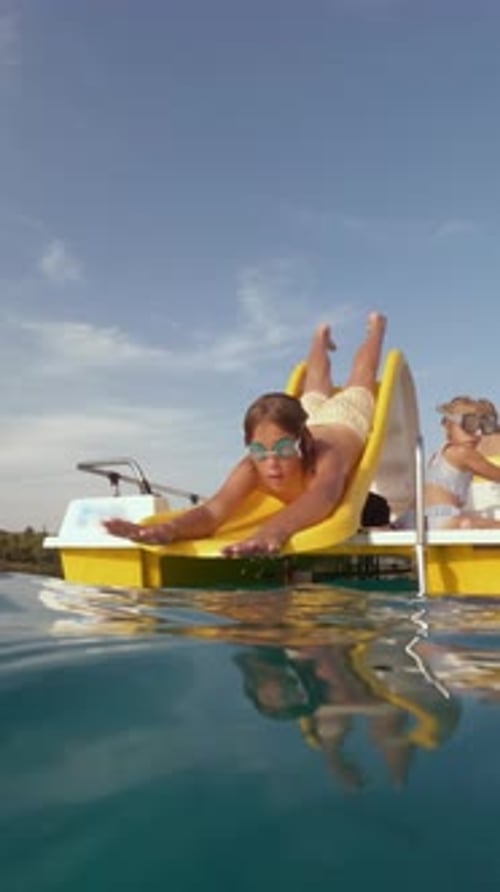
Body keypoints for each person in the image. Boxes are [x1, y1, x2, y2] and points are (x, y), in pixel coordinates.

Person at [103, 312, 387, 556]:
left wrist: (274, 530)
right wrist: (171, 529)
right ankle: (320, 339)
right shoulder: (253, 464)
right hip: (309, 419)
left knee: (361, 375)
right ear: (250, 447)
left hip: (344, 421)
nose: (271, 464)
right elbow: (214, 512)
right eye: (260, 452)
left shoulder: (327, 456)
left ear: (301, 443)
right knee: (313, 384)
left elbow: (322, 499)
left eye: (285, 450)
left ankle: (376, 327)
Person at [425, 395, 500, 529]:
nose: (477, 433)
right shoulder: (462, 453)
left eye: (482, 426)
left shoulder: (438, 455)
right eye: (469, 425)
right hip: (448, 521)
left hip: (429, 520)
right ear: (449, 427)